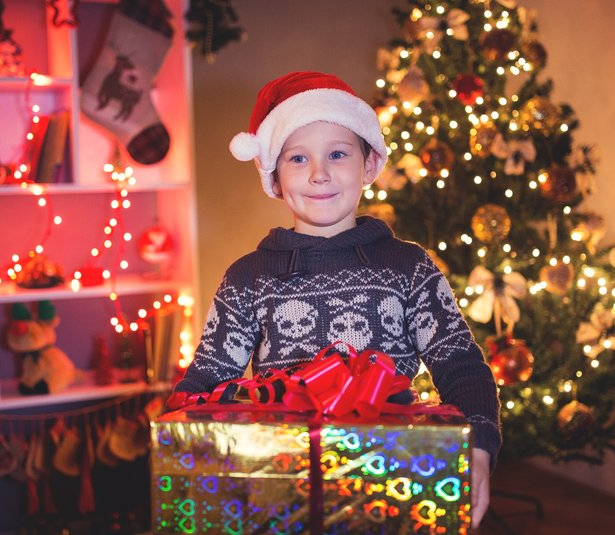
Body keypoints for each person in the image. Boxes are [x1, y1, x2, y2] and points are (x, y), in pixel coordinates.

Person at [173, 71, 501, 527]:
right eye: (298, 158)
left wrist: (479, 447)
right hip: (282, 494)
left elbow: (460, 365)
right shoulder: (247, 278)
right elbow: (206, 384)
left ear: (369, 165)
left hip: (393, 485)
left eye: (338, 154)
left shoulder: (408, 267)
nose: (319, 173)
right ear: (273, 176)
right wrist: (180, 449)